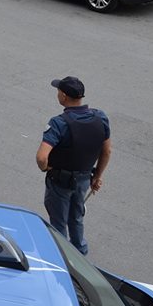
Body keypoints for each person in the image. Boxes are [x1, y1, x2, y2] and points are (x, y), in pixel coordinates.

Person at [35, 76, 111, 255]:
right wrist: (97, 176)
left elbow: (41, 157)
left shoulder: (59, 123)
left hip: (60, 181)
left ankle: (63, 258)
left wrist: (46, 168)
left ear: (63, 95)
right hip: (84, 179)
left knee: (59, 222)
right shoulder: (100, 117)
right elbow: (107, 151)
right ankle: (80, 254)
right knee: (76, 217)